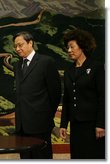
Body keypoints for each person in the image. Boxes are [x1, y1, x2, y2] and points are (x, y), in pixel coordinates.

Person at [12, 31, 61, 159]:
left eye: (20, 45)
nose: (17, 49)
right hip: (22, 126)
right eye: (15, 46)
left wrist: (46, 116)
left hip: (40, 125)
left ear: (30, 43)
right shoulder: (17, 65)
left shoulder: (46, 62)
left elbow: (55, 93)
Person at [59, 29, 105, 159]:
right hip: (75, 125)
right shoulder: (68, 71)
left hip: (93, 125)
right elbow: (67, 99)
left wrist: (101, 124)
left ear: (82, 47)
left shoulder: (96, 67)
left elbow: (104, 98)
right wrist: (63, 124)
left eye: (72, 47)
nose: (69, 50)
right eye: (67, 47)